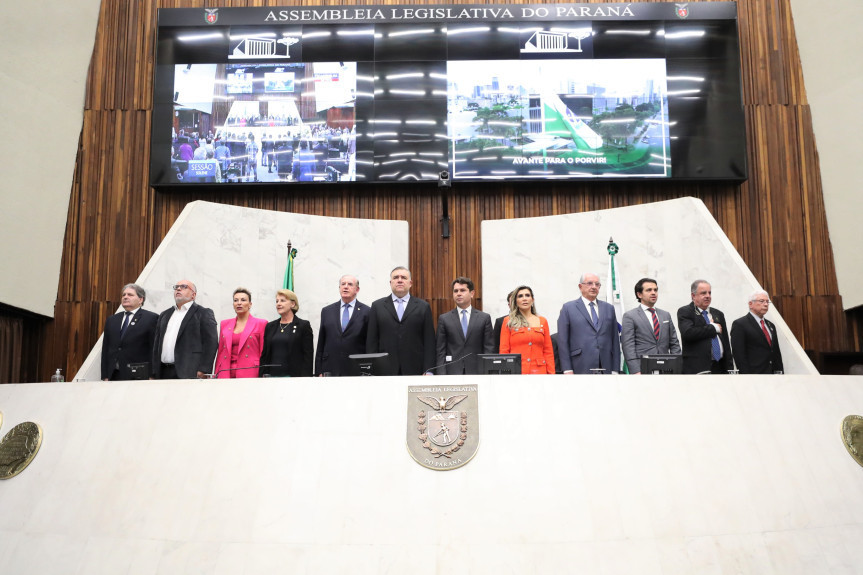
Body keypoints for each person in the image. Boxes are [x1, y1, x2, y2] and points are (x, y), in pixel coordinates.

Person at [366, 266, 435, 375]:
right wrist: (371, 369)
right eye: (396, 277)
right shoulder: (377, 306)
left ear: (410, 283)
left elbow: (429, 341)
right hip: (384, 369)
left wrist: (429, 370)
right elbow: (371, 341)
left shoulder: (423, 307)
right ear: (390, 282)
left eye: (403, 277)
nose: (399, 280)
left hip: (415, 369)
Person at [152, 280, 218, 379]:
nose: (178, 289)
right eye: (176, 287)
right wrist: (153, 372)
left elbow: (211, 342)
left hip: (189, 371)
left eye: (184, 287)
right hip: (163, 372)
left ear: (193, 295)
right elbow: (156, 345)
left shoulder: (203, 313)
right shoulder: (164, 314)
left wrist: (204, 369)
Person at [557, 272, 621, 374]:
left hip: (606, 366)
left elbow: (615, 340)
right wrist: (567, 368)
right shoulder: (568, 308)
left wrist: (615, 368)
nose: (594, 287)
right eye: (590, 283)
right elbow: (562, 341)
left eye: (597, 284)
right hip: (579, 364)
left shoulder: (609, 308)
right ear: (580, 286)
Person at [621, 278, 681, 374]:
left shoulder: (665, 315)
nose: (653, 293)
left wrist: (677, 365)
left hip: (666, 368)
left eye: (655, 290)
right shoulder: (630, 316)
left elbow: (674, 343)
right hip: (643, 369)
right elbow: (628, 346)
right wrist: (636, 370)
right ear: (639, 294)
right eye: (649, 290)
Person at [435, 277, 494, 374]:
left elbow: (489, 349)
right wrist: (441, 374)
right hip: (452, 372)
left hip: (478, 372)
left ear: (472, 293)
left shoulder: (484, 318)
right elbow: (440, 351)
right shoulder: (444, 319)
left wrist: (488, 372)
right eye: (455, 291)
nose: (458, 293)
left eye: (462, 290)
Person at [101, 283, 158, 380]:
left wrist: (152, 375)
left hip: (139, 375)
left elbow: (154, 349)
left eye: (130, 295)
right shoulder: (112, 320)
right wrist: (105, 375)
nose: (125, 297)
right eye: (124, 295)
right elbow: (106, 349)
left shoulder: (151, 318)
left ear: (141, 299)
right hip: (114, 375)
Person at [314, 275, 370, 376]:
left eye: (350, 284)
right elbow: (321, 343)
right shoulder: (327, 311)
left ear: (357, 289)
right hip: (330, 368)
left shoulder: (367, 311)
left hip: (356, 369)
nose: (345, 287)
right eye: (343, 284)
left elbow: (369, 343)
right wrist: (318, 370)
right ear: (339, 288)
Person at [677, 279, 733, 374]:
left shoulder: (718, 314)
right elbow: (688, 333)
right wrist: (713, 328)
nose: (708, 296)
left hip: (720, 367)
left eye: (709, 293)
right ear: (693, 296)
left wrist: (730, 367)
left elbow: (726, 343)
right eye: (703, 293)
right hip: (698, 368)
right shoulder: (685, 311)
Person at [213, 288, 268, 378]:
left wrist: (263, 374)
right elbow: (220, 352)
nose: (239, 303)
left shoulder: (261, 323)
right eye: (236, 300)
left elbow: (263, 352)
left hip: (250, 371)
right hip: (225, 371)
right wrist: (216, 373)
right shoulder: (225, 324)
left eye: (243, 300)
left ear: (250, 304)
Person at [499, 285, 555, 374]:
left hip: (539, 371)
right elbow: (504, 350)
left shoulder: (542, 321)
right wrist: (505, 373)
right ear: (516, 301)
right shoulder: (508, 321)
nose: (524, 299)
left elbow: (548, 351)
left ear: (532, 300)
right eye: (520, 296)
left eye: (527, 295)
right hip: (516, 371)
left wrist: (551, 374)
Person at [260, 289, 313, 377]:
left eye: (282, 301)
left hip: (294, 378)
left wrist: (305, 379)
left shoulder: (303, 326)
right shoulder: (270, 326)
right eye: (277, 301)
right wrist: (261, 374)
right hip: (271, 378)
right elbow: (264, 355)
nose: (278, 304)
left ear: (293, 304)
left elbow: (308, 356)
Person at [730, 290, 784, 374]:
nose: (766, 304)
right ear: (750, 304)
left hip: (774, 376)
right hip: (754, 376)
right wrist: (747, 377)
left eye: (767, 301)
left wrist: (780, 373)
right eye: (762, 301)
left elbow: (776, 353)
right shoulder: (740, 324)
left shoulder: (771, 325)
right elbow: (739, 355)